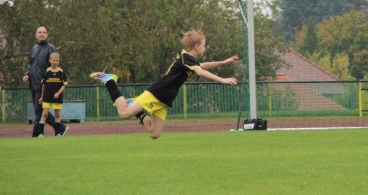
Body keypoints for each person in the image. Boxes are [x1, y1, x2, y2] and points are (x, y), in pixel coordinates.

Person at [90, 30, 239, 139]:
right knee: (124, 113)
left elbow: (202, 66)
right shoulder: (185, 59)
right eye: (204, 45)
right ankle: (110, 81)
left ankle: (138, 110)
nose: (205, 48)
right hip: (157, 92)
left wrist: (223, 62)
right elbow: (200, 72)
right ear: (195, 46)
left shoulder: (190, 60)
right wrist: (222, 79)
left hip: (165, 98)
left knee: (154, 134)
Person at [23, 26, 68, 137]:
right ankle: (58, 128)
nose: (42, 34)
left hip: (43, 85)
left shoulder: (50, 48)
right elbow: (31, 64)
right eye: (40, 32)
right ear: (36, 34)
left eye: (44, 32)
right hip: (33, 83)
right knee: (38, 111)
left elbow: (55, 66)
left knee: (39, 110)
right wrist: (27, 74)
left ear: (47, 34)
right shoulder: (34, 48)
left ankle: (39, 132)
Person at [37, 52, 68, 137]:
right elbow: (44, 85)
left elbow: (64, 85)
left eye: (57, 60)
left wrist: (58, 93)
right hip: (47, 97)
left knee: (57, 115)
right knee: (45, 114)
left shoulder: (61, 72)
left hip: (57, 98)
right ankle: (39, 133)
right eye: (54, 60)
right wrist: (42, 97)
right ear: (50, 60)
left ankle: (58, 133)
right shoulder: (46, 72)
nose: (55, 62)